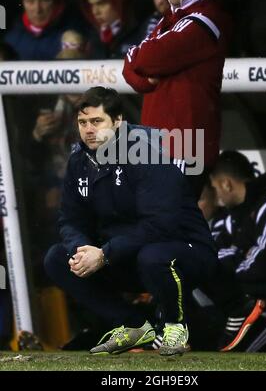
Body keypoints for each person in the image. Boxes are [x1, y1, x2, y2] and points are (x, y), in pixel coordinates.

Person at [44, 86, 219, 356]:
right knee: (57, 258)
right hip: (124, 256)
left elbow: (161, 225)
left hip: (185, 252)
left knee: (153, 256)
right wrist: (82, 249)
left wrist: (105, 254)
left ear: (118, 122)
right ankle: (135, 325)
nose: (88, 129)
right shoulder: (79, 160)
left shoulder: (147, 153)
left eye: (96, 121)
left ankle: (175, 327)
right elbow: (70, 218)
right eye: (82, 122)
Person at [123, 0, 231, 199]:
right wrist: (142, 76)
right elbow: (130, 67)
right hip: (159, 147)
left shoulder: (205, 21)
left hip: (184, 148)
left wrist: (140, 65)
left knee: (170, 229)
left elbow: (145, 58)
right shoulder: (168, 20)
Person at [210, 151, 266, 352]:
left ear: (226, 184)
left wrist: (235, 266)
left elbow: (260, 265)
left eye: (215, 188)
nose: (216, 198)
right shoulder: (251, 206)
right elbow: (233, 251)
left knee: (237, 354)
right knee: (223, 345)